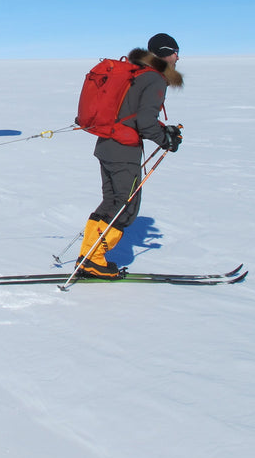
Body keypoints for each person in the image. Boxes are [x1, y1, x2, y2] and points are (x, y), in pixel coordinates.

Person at [76, 33, 184, 278]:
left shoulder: (136, 73)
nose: (178, 57)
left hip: (107, 144)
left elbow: (132, 114)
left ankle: (89, 256)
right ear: (165, 53)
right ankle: (92, 260)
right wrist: (166, 139)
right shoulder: (155, 79)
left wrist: (163, 130)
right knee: (125, 207)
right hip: (123, 150)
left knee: (111, 202)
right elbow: (145, 122)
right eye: (175, 52)